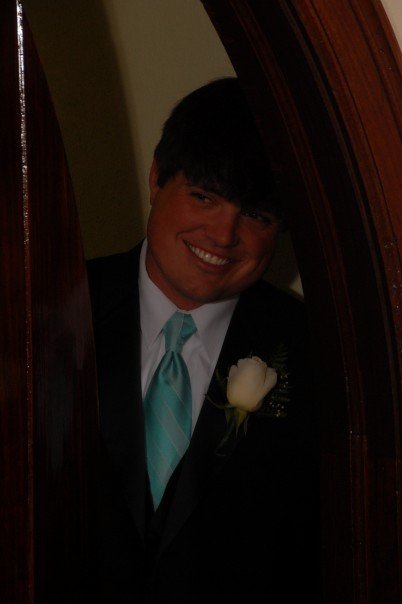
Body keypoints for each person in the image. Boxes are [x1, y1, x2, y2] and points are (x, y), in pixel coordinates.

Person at [87, 77, 321, 603]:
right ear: (156, 178)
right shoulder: (52, 307)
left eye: (256, 215)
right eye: (204, 197)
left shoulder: (316, 352)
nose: (223, 235)